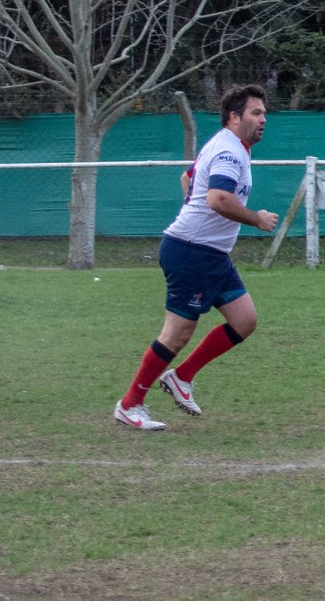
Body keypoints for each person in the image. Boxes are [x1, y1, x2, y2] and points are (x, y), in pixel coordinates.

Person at [112, 85, 279, 430]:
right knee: (177, 333)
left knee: (244, 320)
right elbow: (217, 198)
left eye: (264, 113)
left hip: (210, 254)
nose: (264, 119)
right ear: (234, 117)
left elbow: (187, 178)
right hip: (190, 252)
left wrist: (196, 213)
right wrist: (256, 218)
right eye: (256, 113)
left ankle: (181, 377)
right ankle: (130, 404)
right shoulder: (230, 152)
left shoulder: (229, 146)